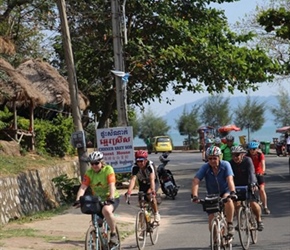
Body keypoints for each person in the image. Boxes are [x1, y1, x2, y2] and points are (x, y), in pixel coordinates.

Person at [74, 151, 120, 245]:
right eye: (92, 164)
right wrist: (78, 199)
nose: (94, 166)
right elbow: (83, 187)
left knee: (106, 211)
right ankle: (99, 244)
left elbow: (112, 185)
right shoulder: (89, 173)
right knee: (95, 223)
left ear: (101, 162)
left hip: (111, 198)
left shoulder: (108, 170)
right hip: (97, 200)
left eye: (96, 163)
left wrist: (110, 197)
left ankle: (113, 234)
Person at [191, 146, 237, 236]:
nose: (212, 161)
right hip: (212, 194)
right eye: (210, 158)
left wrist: (232, 192)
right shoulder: (205, 167)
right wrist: (194, 196)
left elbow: (230, 179)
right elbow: (196, 180)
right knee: (211, 221)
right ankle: (215, 241)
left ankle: (230, 224)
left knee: (228, 200)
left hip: (225, 190)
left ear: (219, 157)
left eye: (214, 158)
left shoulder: (225, 165)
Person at [229, 145, 264, 231]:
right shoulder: (230, 163)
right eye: (233, 155)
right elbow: (228, 176)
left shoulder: (248, 160)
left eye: (237, 155)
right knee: (236, 204)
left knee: (253, 204)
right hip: (237, 186)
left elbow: (252, 173)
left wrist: (253, 183)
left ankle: (259, 220)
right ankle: (240, 221)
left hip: (249, 184)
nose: (235, 157)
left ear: (242, 155)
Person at [126, 150, 161, 222]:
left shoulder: (150, 165)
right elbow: (133, 180)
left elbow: (152, 179)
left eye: (141, 161)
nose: (140, 163)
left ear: (145, 160)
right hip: (143, 183)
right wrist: (129, 192)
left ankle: (156, 213)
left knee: (149, 194)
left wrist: (153, 191)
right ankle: (143, 225)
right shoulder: (135, 167)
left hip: (153, 182)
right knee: (141, 200)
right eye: (138, 161)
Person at [246, 141, 270, 214]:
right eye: (251, 149)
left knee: (262, 190)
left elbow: (263, 164)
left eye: (254, 149)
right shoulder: (247, 156)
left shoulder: (260, 155)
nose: (252, 151)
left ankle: (265, 207)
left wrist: (262, 171)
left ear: (257, 149)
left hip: (259, 173)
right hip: (250, 174)